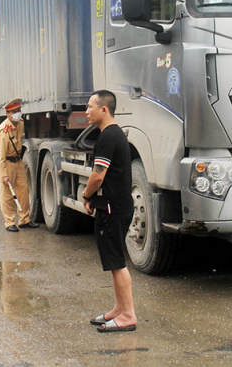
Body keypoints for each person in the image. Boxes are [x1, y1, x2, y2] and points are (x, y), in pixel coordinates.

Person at [82, 90, 137, 333]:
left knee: (117, 262)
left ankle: (127, 315)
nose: (86, 111)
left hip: (112, 209)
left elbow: (98, 175)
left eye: (90, 107)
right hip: (118, 206)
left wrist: (86, 195)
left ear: (103, 109)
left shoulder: (108, 137)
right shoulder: (116, 134)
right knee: (114, 262)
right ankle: (118, 309)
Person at [0, 98, 39, 232]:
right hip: (6, 163)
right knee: (7, 194)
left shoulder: (20, 124)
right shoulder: (4, 130)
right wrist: (3, 175)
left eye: (19, 110)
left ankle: (24, 219)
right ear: (8, 114)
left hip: (18, 161)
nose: (17, 114)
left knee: (23, 191)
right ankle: (9, 222)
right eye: (14, 112)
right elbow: (0, 156)